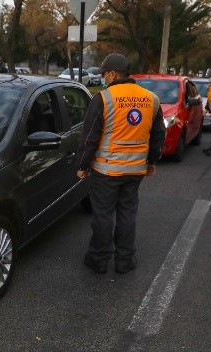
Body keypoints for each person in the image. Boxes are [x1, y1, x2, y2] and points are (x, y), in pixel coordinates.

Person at [76, 53, 166, 274]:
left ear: (112, 73)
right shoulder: (151, 99)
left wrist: (82, 165)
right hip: (135, 170)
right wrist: (152, 161)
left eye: (104, 74)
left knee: (103, 215)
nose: (103, 79)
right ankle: (124, 260)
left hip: (107, 170)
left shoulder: (104, 98)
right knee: (127, 214)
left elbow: (89, 137)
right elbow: (158, 135)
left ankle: (99, 259)